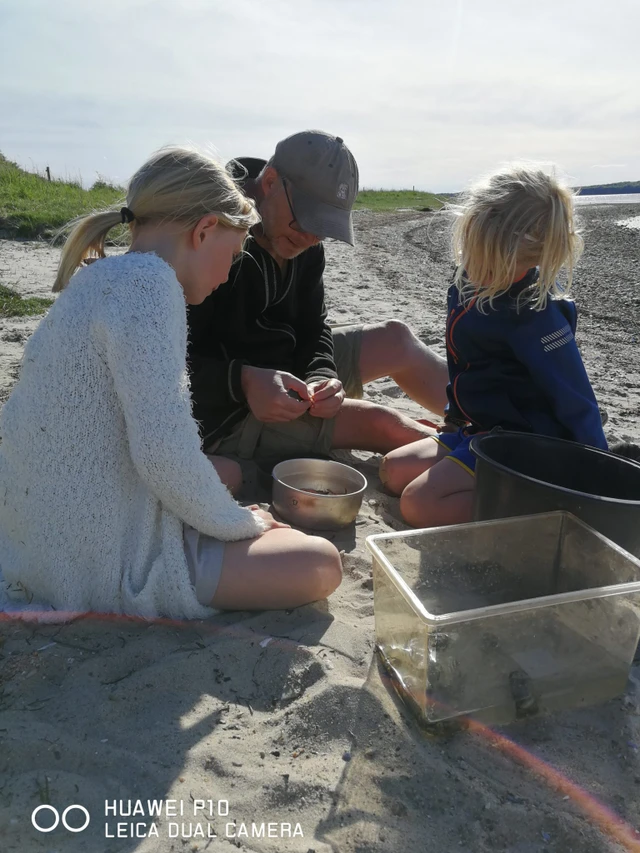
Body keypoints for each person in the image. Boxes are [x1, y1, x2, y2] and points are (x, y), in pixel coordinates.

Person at [0, 146, 342, 620]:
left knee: (225, 475)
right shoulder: (152, 288)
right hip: (90, 562)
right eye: (234, 255)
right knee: (318, 563)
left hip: (32, 538)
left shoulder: (103, 278)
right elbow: (162, 453)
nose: (227, 275)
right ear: (204, 231)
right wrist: (239, 523)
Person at [187, 130, 448, 463]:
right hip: (229, 409)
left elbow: (314, 327)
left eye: (324, 226)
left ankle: (490, 420)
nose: (311, 238)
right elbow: (163, 365)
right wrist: (243, 381)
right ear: (270, 182)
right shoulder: (215, 238)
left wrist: (323, 374)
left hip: (286, 370)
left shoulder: (304, 245)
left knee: (396, 339)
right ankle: (483, 459)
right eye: (305, 221)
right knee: (381, 423)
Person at [380, 164, 608, 528]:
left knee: (419, 505)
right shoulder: (465, 286)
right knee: (393, 471)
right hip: (481, 427)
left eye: (512, 265)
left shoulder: (535, 314)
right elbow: (465, 366)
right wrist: (455, 418)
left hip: (527, 445)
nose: (485, 273)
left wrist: (598, 472)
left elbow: (576, 400)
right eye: (481, 256)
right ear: (469, 230)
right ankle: (482, 475)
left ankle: (542, 511)